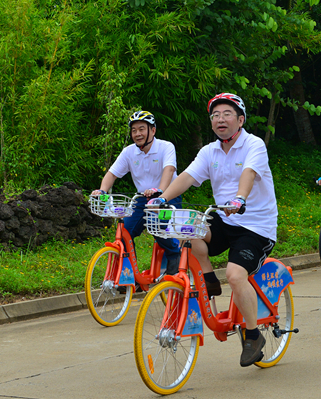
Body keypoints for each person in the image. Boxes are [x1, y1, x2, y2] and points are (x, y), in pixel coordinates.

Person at [148, 93, 277, 367]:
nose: (220, 119)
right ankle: (208, 278)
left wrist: (240, 198)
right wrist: (162, 197)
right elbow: (187, 176)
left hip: (255, 226)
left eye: (227, 114)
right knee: (189, 230)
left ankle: (253, 335)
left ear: (240, 120)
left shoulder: (254, 145)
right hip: (224, 220)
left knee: (235, 274)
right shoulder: (210, 151)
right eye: (215, 115)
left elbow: (249, 174)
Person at [92, 111, 181, 273]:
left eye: (142, 129)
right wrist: (102, 190)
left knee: (158, 229)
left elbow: (168, 170)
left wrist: (160, 192)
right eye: (134, 130)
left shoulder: (166, 147)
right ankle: (130, 274)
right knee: (125, 232)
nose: (137, 134)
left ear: (152, 131)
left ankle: (175, 253)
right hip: (142, 198)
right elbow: (112, 174)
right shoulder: (129, 152)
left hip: (167, 197)